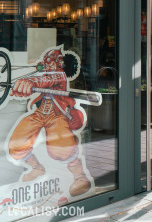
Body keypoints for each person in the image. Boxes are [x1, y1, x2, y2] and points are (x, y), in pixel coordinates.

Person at [8, 47, 92, 196]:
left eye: (53, 61)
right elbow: (37, 83)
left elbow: (44, 81)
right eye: (48, 61)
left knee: (61, 146)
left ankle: (80, 177)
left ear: (60, 63)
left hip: (57, 114)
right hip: (40, 112)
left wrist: (29, 82)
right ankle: (36, 168)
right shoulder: (46, 73)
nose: (49, 64)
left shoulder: (58, 75)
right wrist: (21, 88)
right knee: (18, 141)